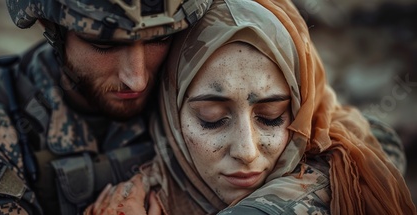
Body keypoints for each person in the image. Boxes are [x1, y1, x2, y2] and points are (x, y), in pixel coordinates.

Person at [86, 0, 416, 214]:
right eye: (211, 119)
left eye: (271, 117)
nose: (246, 150)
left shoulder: (340, 164)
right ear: (171, 114)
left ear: (301, 110)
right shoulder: (127, 195)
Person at [0, 0, 213, 214]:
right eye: (104, 44)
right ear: (53, 28)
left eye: (159, 39)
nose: (136, 80)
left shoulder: (209, 86)